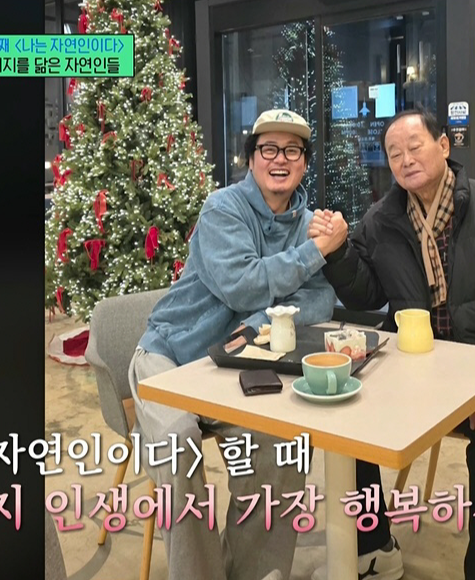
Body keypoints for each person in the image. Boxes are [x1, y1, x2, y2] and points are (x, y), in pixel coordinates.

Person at [308, 109, 475, 580]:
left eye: (415, 146)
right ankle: (375, 546)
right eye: (394, 153)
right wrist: (337, 252)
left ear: (443, 145)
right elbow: (365, 294)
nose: (405, 159)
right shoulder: (381, 220)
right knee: (345, 415)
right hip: (414, 371)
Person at [127, 109, 344, 580]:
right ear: (251, 159)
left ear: (305, 163)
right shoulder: (223, 208)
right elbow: (242, 284)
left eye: (292, 150)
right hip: (172, 353)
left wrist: (262, 320)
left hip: (237, 367)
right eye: (269, 149)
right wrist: (315, 252)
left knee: (287, 441)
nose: (280, 159)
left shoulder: (309, 222)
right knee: (178, 442)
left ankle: (255, 572)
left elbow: (321, 297)